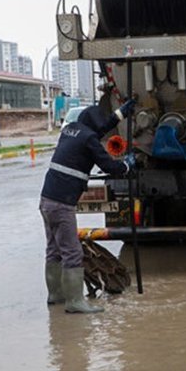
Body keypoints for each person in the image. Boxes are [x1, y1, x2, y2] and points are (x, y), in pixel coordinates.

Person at [40, 100, 135, 314]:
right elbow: (109, 166)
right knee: (72, 252)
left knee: (53, 249)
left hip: (46, 200)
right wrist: (127, 165)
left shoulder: (69, 130)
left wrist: (119, 114)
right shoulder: (90, 139)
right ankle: (74, 302)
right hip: (62, 203)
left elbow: (95, 130)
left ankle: (56, 295)